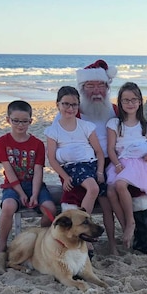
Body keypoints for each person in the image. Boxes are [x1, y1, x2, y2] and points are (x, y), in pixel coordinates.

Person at [74, 59, 147, 256]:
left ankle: (142, 240)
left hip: (121, 164)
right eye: (90, 86)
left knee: (140, 196)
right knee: (74, 198)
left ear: (108, 88)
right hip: (87, 166)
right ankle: (81, 244)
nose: (96, 91)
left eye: (101, 85)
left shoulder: (116, 111)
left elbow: (142, 138)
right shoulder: (75, 112)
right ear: (82, 88)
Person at [44, 86, 116, 254]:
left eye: (74, 105)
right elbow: (52, 158)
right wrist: (65, 177)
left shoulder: (85, 126)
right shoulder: (53, 130)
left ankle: (112, 244)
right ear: (58, 105)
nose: (70, 108)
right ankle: (85, 230)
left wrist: (99, 171)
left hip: (91, 165)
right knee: (93, 188)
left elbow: (98, 151)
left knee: (106, 202)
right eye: (66, 104)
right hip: (73, 168)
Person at [0, 100, 56, 274]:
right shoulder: (2, 142)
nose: (20, 124)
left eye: (24, 121)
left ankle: (41, 244)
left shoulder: (37, 144)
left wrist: (34, 194)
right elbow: (9, 171)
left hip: (34, 184)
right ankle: (2, 244)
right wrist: (20, 193)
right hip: (12, 185)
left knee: (49, 208)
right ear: (8, 120)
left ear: (30, 121)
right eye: (16, 120)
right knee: (8, 206)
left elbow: (38, 171)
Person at [106, 82, 147, 249]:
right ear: (120, 102)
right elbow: (111, 148)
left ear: (140, 101)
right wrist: (116, 164)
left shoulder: (145, 125)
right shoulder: (114, 124)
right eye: (126, 100)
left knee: (120, 184)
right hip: (120, 163)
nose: (130, 103)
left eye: (134, 99)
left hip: (138, 165)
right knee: (110, 191)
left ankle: (131, 222)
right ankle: (125, 226)